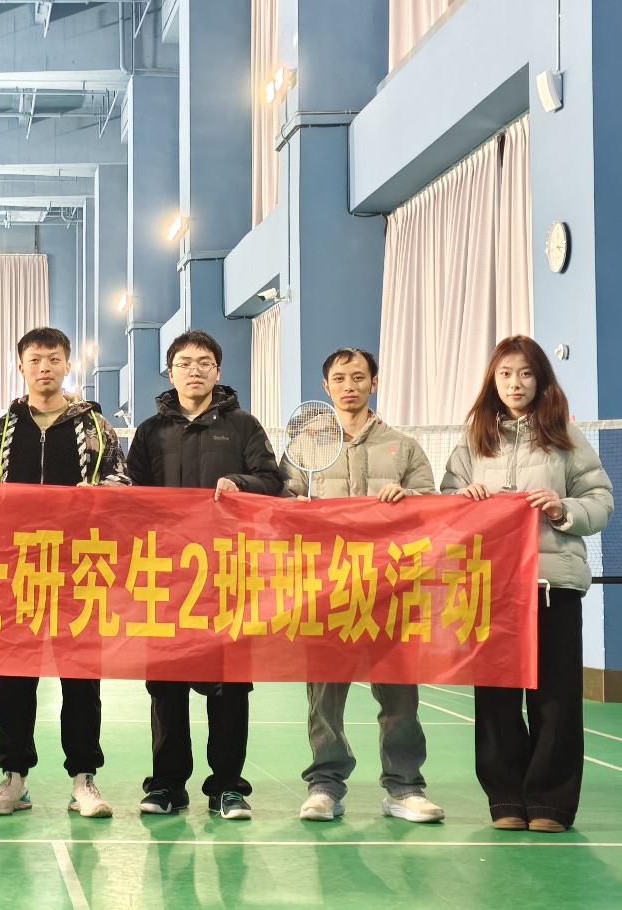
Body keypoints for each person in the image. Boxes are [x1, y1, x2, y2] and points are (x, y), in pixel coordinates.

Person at [442, 335, 612, 833]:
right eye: (505, 374)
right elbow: (447, 499)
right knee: (495, 696)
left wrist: (562, 509)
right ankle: (505, 800)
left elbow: (600, 499)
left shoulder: (564, 435)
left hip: (553, 584)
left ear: (540, 379)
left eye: (525, 373)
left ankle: (551, 804)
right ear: (493, 380)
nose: (515, 383)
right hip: (491, 586)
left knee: (555, 697)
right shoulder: (475, 437)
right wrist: (463, 498)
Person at [282, 348, 444, 824]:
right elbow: (281, 501)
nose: (348, 385)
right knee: (324, 698)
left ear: (374, 382)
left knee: (400, 696)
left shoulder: (403, 446)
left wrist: (408, 496)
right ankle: (325, 786)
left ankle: (404, 787)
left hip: (390, 589)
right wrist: (294, 505)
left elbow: (433, 506)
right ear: (326, 386)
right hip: (326, 588)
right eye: (339, 378)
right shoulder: (305, 447)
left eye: (358, 377)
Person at [125, 330, 283, 820]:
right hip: (167, 577)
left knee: (230, 688)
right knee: (165, 686)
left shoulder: (243, 426)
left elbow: (272, 481)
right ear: (170, 372)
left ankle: (227, 787)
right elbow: (131, 496)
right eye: (185, 363)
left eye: (205, 362)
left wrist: (239, 481)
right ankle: (167, 785)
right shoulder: (150, 431)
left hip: (228, 577)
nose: (194, 370)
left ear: (217, 371)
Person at [0, 326, 130, 819]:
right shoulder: (1, 429)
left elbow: (123, 482)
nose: (45, 367)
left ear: (67, 365)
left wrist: (100, 494)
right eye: (35, 359)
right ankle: (13, 777)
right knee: (13, 678)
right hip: (16, 571)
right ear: (21, 366)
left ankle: (84, 778)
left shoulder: (95, 427)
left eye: (54, 358)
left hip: (79, 569)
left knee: (81, 678)